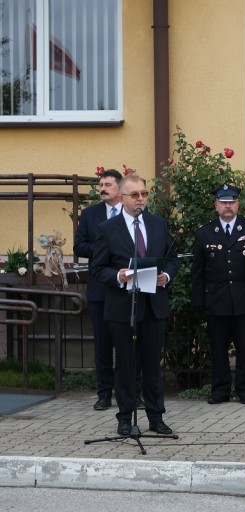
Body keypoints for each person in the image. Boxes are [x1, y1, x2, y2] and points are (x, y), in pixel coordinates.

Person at [90, 174, 180, 436]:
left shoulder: (157, 224)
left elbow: (173, 258)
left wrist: (168, 276)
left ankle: (156, 417)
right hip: (123, 307)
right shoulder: (108, 229)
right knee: (126, 365)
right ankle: (125, 418)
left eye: (144, 194)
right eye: (135, 195)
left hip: (153, 305)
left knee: (153, 365)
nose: (141, 199)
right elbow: (97, 269)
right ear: (122, 198)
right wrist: (117, 276)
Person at [191, 184, 245, 405]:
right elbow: (199, 271)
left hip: (244, 299)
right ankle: (220, 391)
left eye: (232, 202)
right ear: (216, 205)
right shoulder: (204, 232)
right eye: (223, 202)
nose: (228, 206)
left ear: (238, 204)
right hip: (216, 300)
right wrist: (199, 300)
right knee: (218, 349)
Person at [74, 169, 123, 411]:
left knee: (128, 345)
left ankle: (134, 392)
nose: (102, 188)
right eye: (101, 184)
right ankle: (104, 393)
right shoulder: (91, 214)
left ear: (119, 189)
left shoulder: (131, 212)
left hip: (126, 288)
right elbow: (79, 245)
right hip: (99, 289)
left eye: (108, 185)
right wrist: (105, 250)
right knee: (103, 345)